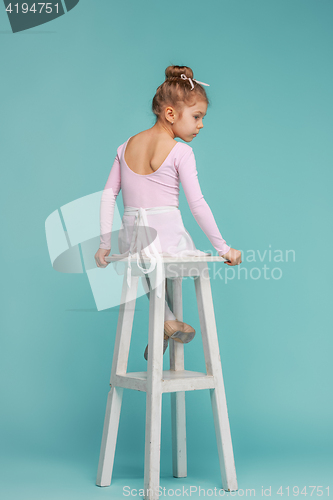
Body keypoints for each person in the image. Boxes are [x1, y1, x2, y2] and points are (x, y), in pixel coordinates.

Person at [94, 65, 242, 360]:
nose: (201, 125)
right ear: (171, 114)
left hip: (133, 238)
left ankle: (165, 319)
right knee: (169, 263)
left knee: (149, 266)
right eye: (197, 116)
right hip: (166, 237)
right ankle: (168, 319)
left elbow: (109, 194)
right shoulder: (180, 152)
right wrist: (223, 247)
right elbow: (197, 204)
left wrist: (104, 244)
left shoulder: (125, 147)